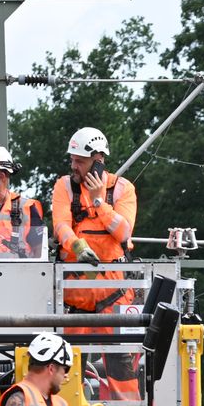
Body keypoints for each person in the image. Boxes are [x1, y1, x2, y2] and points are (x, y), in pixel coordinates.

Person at [51, 127, 137, 314]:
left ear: (98, 161)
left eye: (79, 161)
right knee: (72, 345)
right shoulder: (64, 186)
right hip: (74, 297)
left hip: (117, 296)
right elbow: (61, 226)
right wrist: (77, 247)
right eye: (72, 159)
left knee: (117, 344)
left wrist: (98, 201)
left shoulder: (123, 188)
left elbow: (123, 233)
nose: (73, 166)